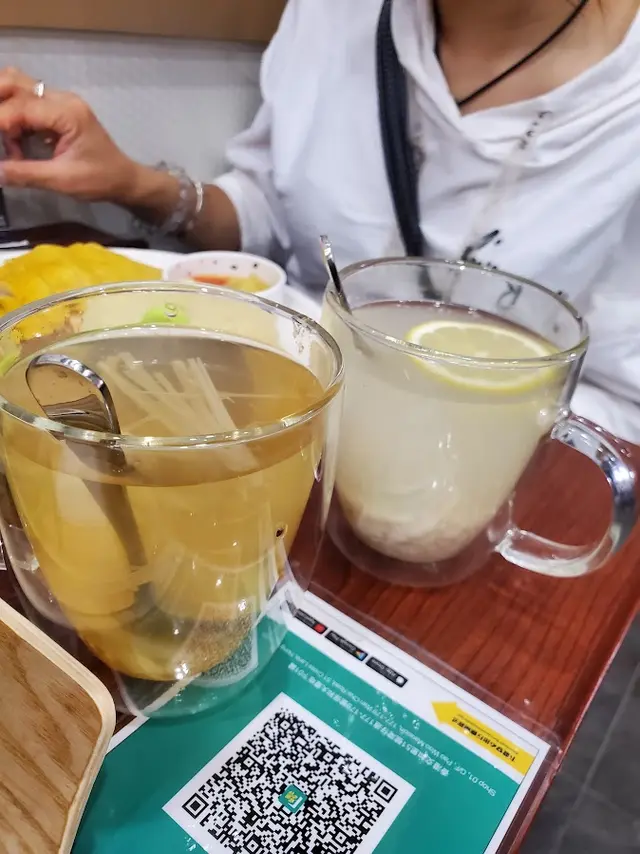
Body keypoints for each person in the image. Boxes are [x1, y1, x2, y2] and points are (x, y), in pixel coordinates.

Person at [0, 0, 639, 442]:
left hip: (490, 470)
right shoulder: (331, 13)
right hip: (287, 410)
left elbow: (622, 407)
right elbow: (270, 209)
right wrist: (134, 184)